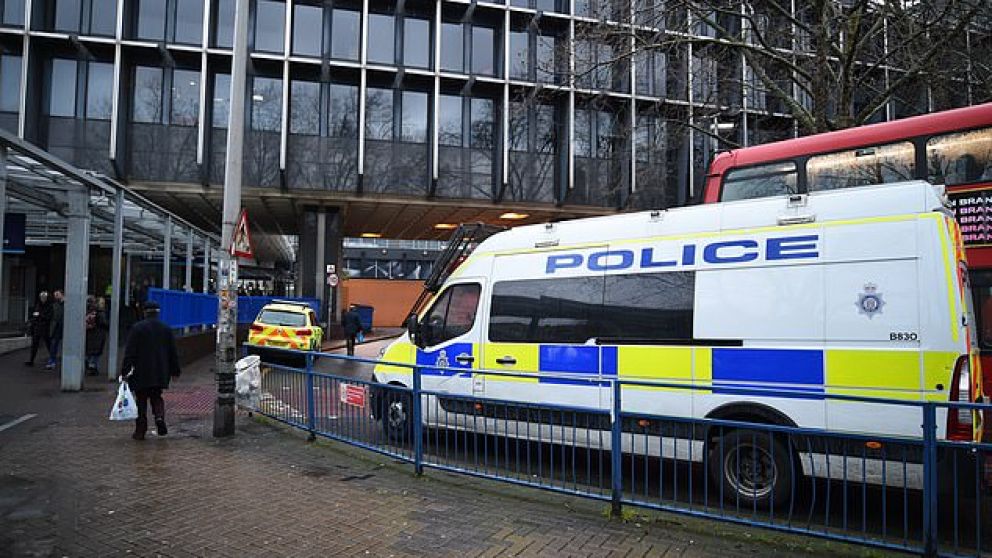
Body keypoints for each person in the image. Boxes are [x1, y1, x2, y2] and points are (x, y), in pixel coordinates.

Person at [121, 300, 181, 441]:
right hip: (160, 371)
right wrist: (175, 371)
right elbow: (173, 352)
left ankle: (140, 430)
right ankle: (159, 418)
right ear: (158, 313)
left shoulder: (137, 328)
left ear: (144, 312)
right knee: (156, 396)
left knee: (141, 400)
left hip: (140, 371)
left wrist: (125, 371)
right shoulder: (166, 329)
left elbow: (130, 352)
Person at [24, 291, 52, 367]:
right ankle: (31, 360)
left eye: (44, 297)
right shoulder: (38, 305)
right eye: (41, 297)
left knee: (48, 344)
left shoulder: (49, 306)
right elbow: (34, 315)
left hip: (45, 328)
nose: (43, 298)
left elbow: (48, 317)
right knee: (34, 345)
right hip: (37, 327)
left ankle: (53, 360)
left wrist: (40, 315)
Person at [85, 297, 109, 376]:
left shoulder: (90, 311)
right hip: (98, 334)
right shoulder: (101, 313)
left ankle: (89, 364)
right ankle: (93, 367)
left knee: (90, 351)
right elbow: (104, 323)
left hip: (90, 333)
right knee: (96, 352)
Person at [45, 290, 64, 370]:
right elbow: (49, 315)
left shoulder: (66, 304)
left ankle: (53, 361)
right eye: (55, 295)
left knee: (55, 344)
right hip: (56, 327)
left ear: (62, 295)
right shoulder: (53, 305)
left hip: (63, 326)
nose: (56, 296)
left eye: (57, 294)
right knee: (53, 344)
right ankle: (51, 361)